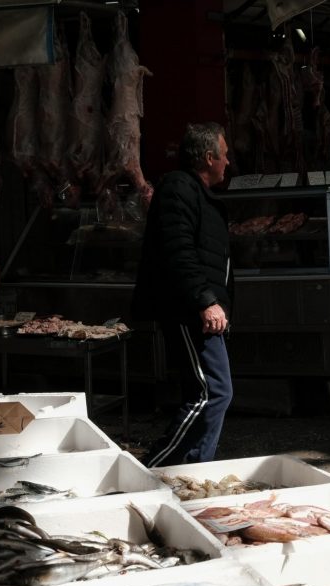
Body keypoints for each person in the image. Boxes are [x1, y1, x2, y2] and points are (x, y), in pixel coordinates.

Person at [132, 122, 233, 467]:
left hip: (202, 310)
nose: (228, 162)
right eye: (225, 155)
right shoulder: (178, 188)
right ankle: (157, 465)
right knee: (212, 393)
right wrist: (205, 300)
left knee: (212, 392)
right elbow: (178, 251)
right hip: (189, 310)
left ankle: (194, 470)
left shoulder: (193, 192)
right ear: (208, 158)